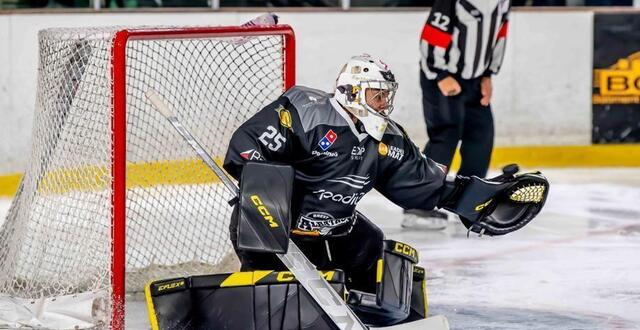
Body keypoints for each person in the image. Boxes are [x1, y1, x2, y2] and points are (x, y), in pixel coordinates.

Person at [223, 54, 547, 326]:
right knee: (273, 298)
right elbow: (247, 146)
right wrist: (263, 193)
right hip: (274, 230)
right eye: (377, 94)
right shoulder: (305, 110)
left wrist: (475, 200)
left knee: (370, 243)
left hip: (333, 232)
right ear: (352, 91)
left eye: (386, 95)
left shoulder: (387, 139)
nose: (384, 103)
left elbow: (422, 183)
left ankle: (374, 317)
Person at [403, 0, 512, 230]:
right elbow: (432, 35)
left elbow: (500, 33)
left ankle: (467, 201)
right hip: (441, 77)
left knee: (481, 136)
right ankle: (419, 205)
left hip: (476, 80)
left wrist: (488, 75)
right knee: (446, 135)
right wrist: (441, 74)